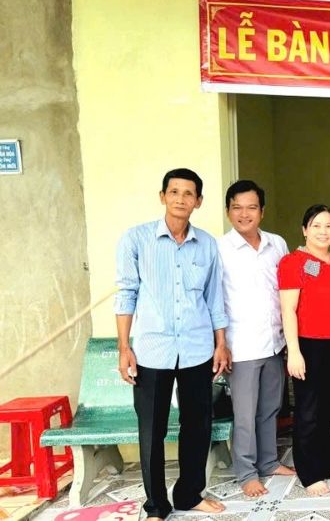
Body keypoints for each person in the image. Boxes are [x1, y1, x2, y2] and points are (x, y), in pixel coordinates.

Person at [115, 168, 231, 520]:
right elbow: (126, 294)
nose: (181, 199)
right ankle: (155, 506)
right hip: (152, 350)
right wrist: (125, 347)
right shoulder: (137, 240)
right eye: (175, 192)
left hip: (197, 349)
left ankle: (188, 494)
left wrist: (220, 343)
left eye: (189, 193)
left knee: (198, 424)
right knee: (153, 428)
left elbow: (214, 299)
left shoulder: (207, 244)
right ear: (163, 196)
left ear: (199, 201)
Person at [217, 180, 296, 497]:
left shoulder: (277, 244)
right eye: (237, 207)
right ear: (228, 211)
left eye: (251, 207)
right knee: (245, 414)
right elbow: (214, 301)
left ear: (262, 211)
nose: (244, 213)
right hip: (242, 345)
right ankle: (247, 472)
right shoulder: (219, 249)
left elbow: (289, 289)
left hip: (275, 341)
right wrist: (221, 343)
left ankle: (268, 462)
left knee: (269, 409)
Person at [278, 204, 330, 496]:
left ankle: (329, 465)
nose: (323, 231)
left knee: (329, 410)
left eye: (328, 225)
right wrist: (294, 351)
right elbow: (288, 309)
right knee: (308, 412)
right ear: (304, 230)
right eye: (316, 225)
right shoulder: (293, 262)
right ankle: (309, 471)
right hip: (308, 346)